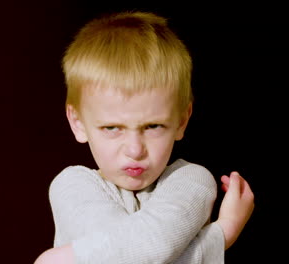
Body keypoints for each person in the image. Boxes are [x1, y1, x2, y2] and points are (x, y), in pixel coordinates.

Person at [34, 11, 254, 264]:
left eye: (153, 126)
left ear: (181, 121)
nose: (135, 150)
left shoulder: (192, 180)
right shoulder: (71, 185)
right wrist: (221, 234)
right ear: (78, 123)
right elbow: (128, 256)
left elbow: (135, 252)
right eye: (112, 128)